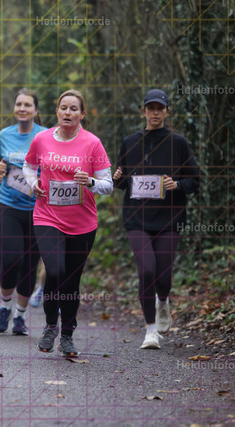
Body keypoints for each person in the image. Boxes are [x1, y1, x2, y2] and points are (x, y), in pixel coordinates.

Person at [23, 89, 113, 356]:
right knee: (55, 270)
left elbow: (108, 184)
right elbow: (28, 167)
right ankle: (51, 325)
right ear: (57, 111)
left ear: (82, 114)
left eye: (74, 109)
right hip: (47, 216)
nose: (68, 112)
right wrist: (33, 183)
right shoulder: (41, 139)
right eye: (64, 108)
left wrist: (91, 182)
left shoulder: (92, 143)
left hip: (82, 223)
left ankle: (68, 335)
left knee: (72, 281)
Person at [114, 89, 199, 350]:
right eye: (150, 108)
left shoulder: (178, 143)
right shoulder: (130, 142)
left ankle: (163, 300)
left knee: (163, 276)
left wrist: (177, 184)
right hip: (137, 218)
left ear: (166, 112)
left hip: (168, 218)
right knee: (146, 269)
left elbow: (195, 180)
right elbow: (121, 181)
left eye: (159, 108)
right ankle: (151, 331)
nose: (155, 112)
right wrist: (117, 177)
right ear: (143, 111)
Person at [0, 89, 48, 335]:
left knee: (30, 265)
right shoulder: (4, 135)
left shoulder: (46, 136)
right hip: (8, 206)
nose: (22, 108)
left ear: (36, 110)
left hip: (38, 210)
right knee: (12, 257)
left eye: (27, 105)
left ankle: (20, 316)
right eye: (19, 104)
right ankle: (4, 306)